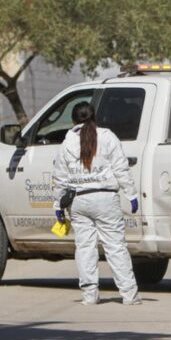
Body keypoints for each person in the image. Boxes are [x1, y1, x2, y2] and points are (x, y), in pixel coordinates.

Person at [53, 102, 141, 306]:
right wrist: (131, 194)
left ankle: (90, 295)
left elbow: (60, 178)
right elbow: (121, 168)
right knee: (116, 247)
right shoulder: (108, 137)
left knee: (85, 248)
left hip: (79, 202)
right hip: (106, 199)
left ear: (73, 121)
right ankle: (129, 295)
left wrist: (58, 206)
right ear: (94, 118)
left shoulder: (66, 143)